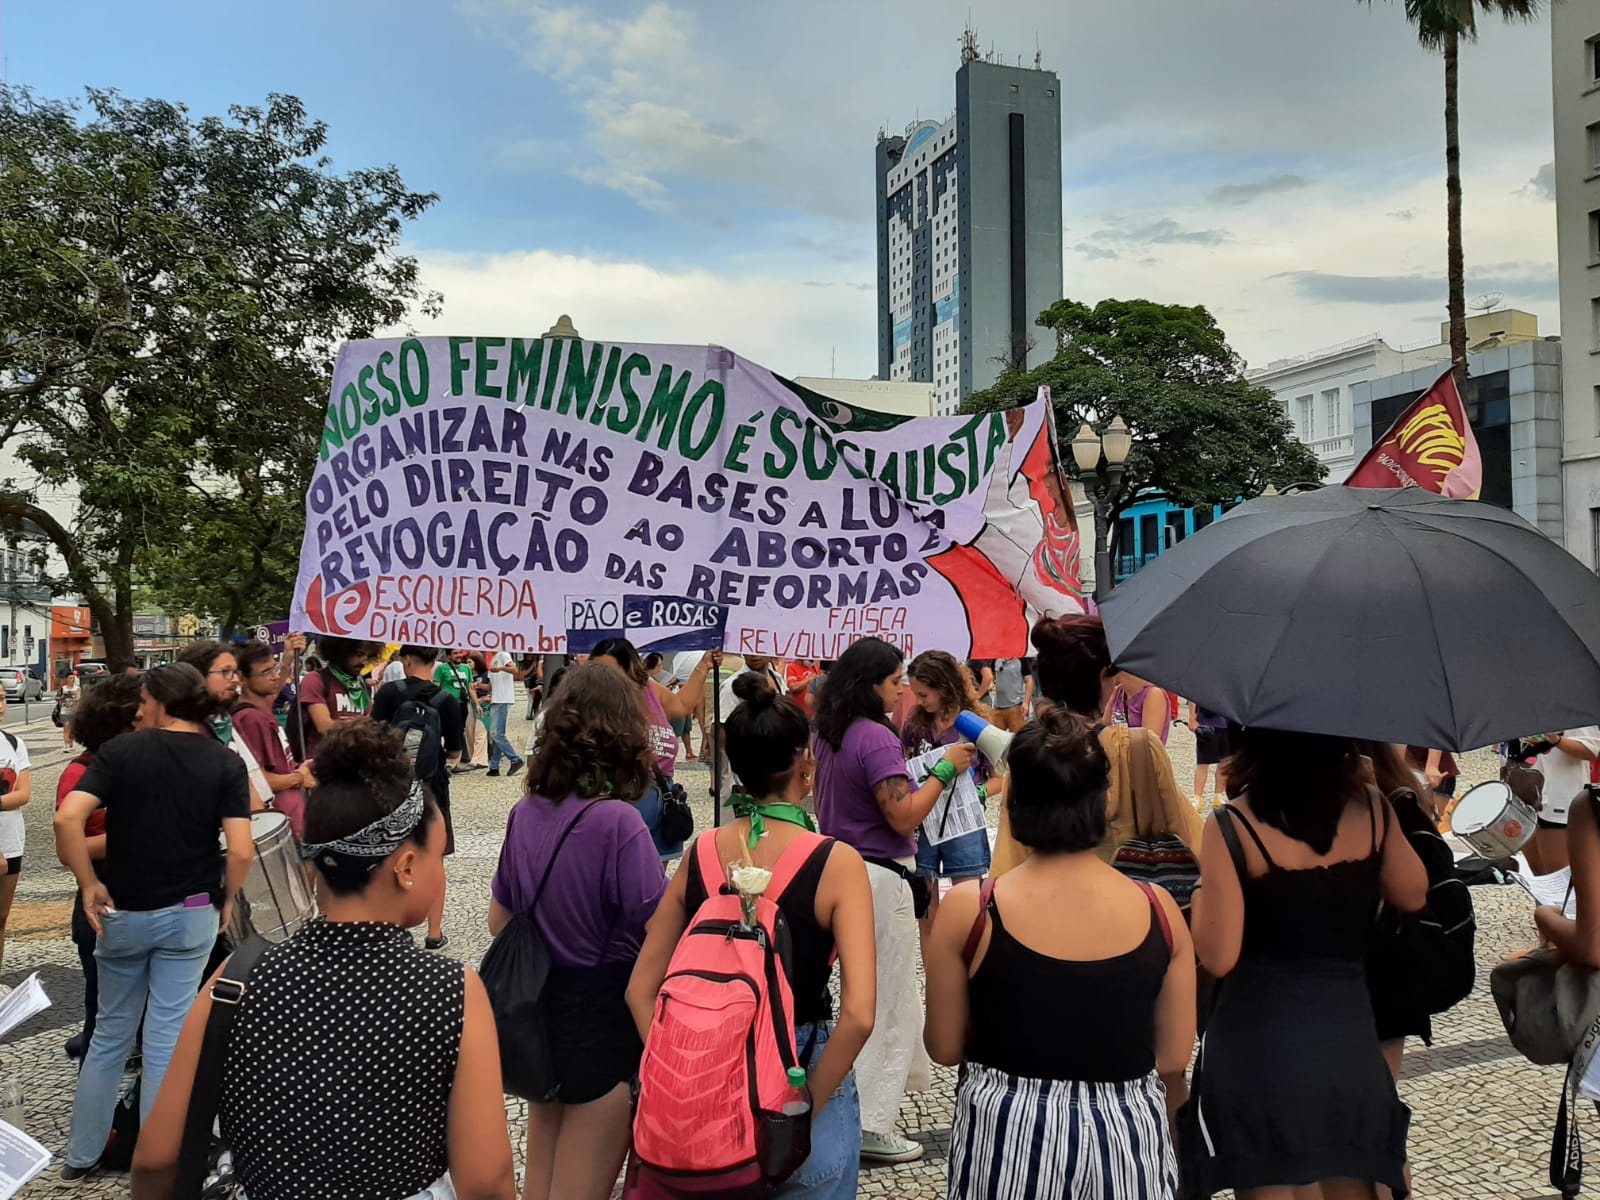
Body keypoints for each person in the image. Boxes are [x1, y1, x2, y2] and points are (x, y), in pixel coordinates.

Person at [130, 720, 517, 1200]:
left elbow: (155, 1159)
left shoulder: (237, 978)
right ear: (408, 867)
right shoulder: (448, 989)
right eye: (439, 856)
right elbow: (487, 1181)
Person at [925, 706, 1194, 1198]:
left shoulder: (973, 909)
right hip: (1126, 1135)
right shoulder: (1160, 912)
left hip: (1007, 1136)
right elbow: (1173, 1058)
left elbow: (943, 1047)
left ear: (1016, 803)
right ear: (1103, 798)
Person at [629, 673, 877, 1199]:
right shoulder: (837, 863)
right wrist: (804, 1102)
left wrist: (686, 1069)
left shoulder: (700, 854)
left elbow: (639, 991)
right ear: (804, 761)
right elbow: (859, 1013)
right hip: (801, 1058)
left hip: (705, 1092)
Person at [1187, 727, 1428, 1199]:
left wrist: (1201, 896)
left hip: (1258, 1041)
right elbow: (1413, 890)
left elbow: (1219, 955)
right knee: (1354, 1169)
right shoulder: (1373, 810)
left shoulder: (1234, 825)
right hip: (1346, 1036)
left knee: (1272, 1181)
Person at [54, 663, 254, 1183]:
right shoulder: (222, 762)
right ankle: (157, 1157)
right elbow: (240, 850)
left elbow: (66, 819)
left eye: (144, 699)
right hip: (190, 910)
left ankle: (81, 1155)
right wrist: (227, 897)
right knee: (167, 1033)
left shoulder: (120, 753)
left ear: (162, 702)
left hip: (122, 911)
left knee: (110, 1036)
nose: (139, 708)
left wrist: (87, 882)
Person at [489, 664, 667, 1200]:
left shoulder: (526, 812)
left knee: (540, 1185)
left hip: (540, 1017)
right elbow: (657, 929)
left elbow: (500, 920)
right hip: (603, 1018)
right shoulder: (618, 822)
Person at [813, 637, 973, 1166]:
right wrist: (946, 769)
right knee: (885, 1002)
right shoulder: (876, 739)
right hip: (881, 877)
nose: (902, 688)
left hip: (844, 871)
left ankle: (862, 1109)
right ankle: (871, 1122)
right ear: (871, 684)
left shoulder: (830, 734)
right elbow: (903, 817)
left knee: (873, 994)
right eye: (894, 679)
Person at [994, 616, 1200, 877]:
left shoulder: (1029, 753)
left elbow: (1008, 861)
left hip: (1046, 908)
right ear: (1104, 677)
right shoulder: (1137, 749)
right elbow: (1188, 836)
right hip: (1135, 903)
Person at [57, 673, 143, 1060]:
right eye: (138, 715)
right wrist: (136, 836)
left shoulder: (145, 763)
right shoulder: (81, 772)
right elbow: (66, 848)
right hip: (101, 902)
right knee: (102, 1010)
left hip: (148, 901)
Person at [589, 638, 716, 863]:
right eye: (598, 669)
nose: (604, 678)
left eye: (612, 671)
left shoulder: (648, 688)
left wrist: (703, 666)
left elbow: (681, 706)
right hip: (623, 795)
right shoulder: (596, 700)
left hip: (661, 793)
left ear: (630, 668)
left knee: (654, 877)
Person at [373, 646, 466, 951]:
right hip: (433, 787)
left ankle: (392, 926)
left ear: (406, 659)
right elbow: (455, 751)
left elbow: (375, 738)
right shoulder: (447, 700)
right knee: (434, 856)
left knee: (391, 851)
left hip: (391, 786)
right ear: (435, 661)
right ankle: (434, 933)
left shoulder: (387, 693)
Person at [901, 651, 994, 940]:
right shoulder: (916, 724)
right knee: (925, 898)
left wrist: (979, 792)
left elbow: (1000, 777)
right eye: (916, 694)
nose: (920, 701)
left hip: (963, 823)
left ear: (944, 686)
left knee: (968, 895)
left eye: (925, 694)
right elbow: (903, 766)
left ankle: (967, 955)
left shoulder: (975, 723)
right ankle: (933, 966)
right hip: (926, 818)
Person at [1518, 728, 1600, 876]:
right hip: (1522, 799)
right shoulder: (1513, 707)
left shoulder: (1571, 706)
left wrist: (1557, 741)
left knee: (1557, 878)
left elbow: (1591, 749)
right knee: (1540, 878)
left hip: (1559, 800)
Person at [298, 636, 379, 760]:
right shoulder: (315, 679)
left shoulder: (359, 685)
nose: (364, 661)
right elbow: (325, 727)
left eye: (368, 656)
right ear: (341, 650)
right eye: (359, 654)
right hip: (322, 765)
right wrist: (361, 727)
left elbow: (370, 723)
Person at [0, 690, 30, 977]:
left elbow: (24, 794)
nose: (0, 706)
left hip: (11, 840)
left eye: (1, 698)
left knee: (2, 917)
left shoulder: (13, 743)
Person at [485, 649, 526, 778]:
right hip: (496, 698)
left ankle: (515, 759)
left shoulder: (503, 654)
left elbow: (514, 670)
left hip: (502, 699)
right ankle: (494, 766)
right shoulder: (492, 659)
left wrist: (501, 668)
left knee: (496, 733)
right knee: (496, 734)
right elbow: (492, 685)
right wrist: (479, 686)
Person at [1106, 669, 1173, 745]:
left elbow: (1148, 744)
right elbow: (1103, 729)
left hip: (1139, 756)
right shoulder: (1118, 692)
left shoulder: (1153, 694)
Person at [1189, 700, 1231, 813]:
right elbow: (1195, 696)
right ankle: (1197, 797)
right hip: (1206, 722)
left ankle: (1219, 795)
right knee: (1202, 762)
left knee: (1225, 761)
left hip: (1229, 722)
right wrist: (1192, 718)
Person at [987, 657, 1033, 734]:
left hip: (1015, 706)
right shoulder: (996, 660)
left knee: (1016, 738)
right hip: (998, 707)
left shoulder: (1021, 659)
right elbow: (992, 676)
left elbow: (1029, 681)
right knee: (996, 737)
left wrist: (1026, 703)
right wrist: (991, 683)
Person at [58, 669, 81, 751]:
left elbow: (78, 698)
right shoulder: (63, 688)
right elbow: (57, 698)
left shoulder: (77, 688)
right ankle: (66, 745)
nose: (72, 679)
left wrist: (74, 700)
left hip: (74, 711)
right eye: (71, 678)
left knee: (72, 728)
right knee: (66, 726)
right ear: (67, 680)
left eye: (73, 678)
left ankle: (71, 743)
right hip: (64, 710)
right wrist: (62, 697)